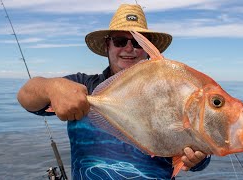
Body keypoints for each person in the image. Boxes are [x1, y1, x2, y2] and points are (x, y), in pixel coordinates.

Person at [17, 4, 211, 179]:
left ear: (146, 49)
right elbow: (26, 97)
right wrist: (51, 87)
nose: (129, 49)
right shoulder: (83, 86)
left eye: (136, 42)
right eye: (120, 41)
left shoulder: (172, 96)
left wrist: (197, 159)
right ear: (107, 45)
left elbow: (197, 155)